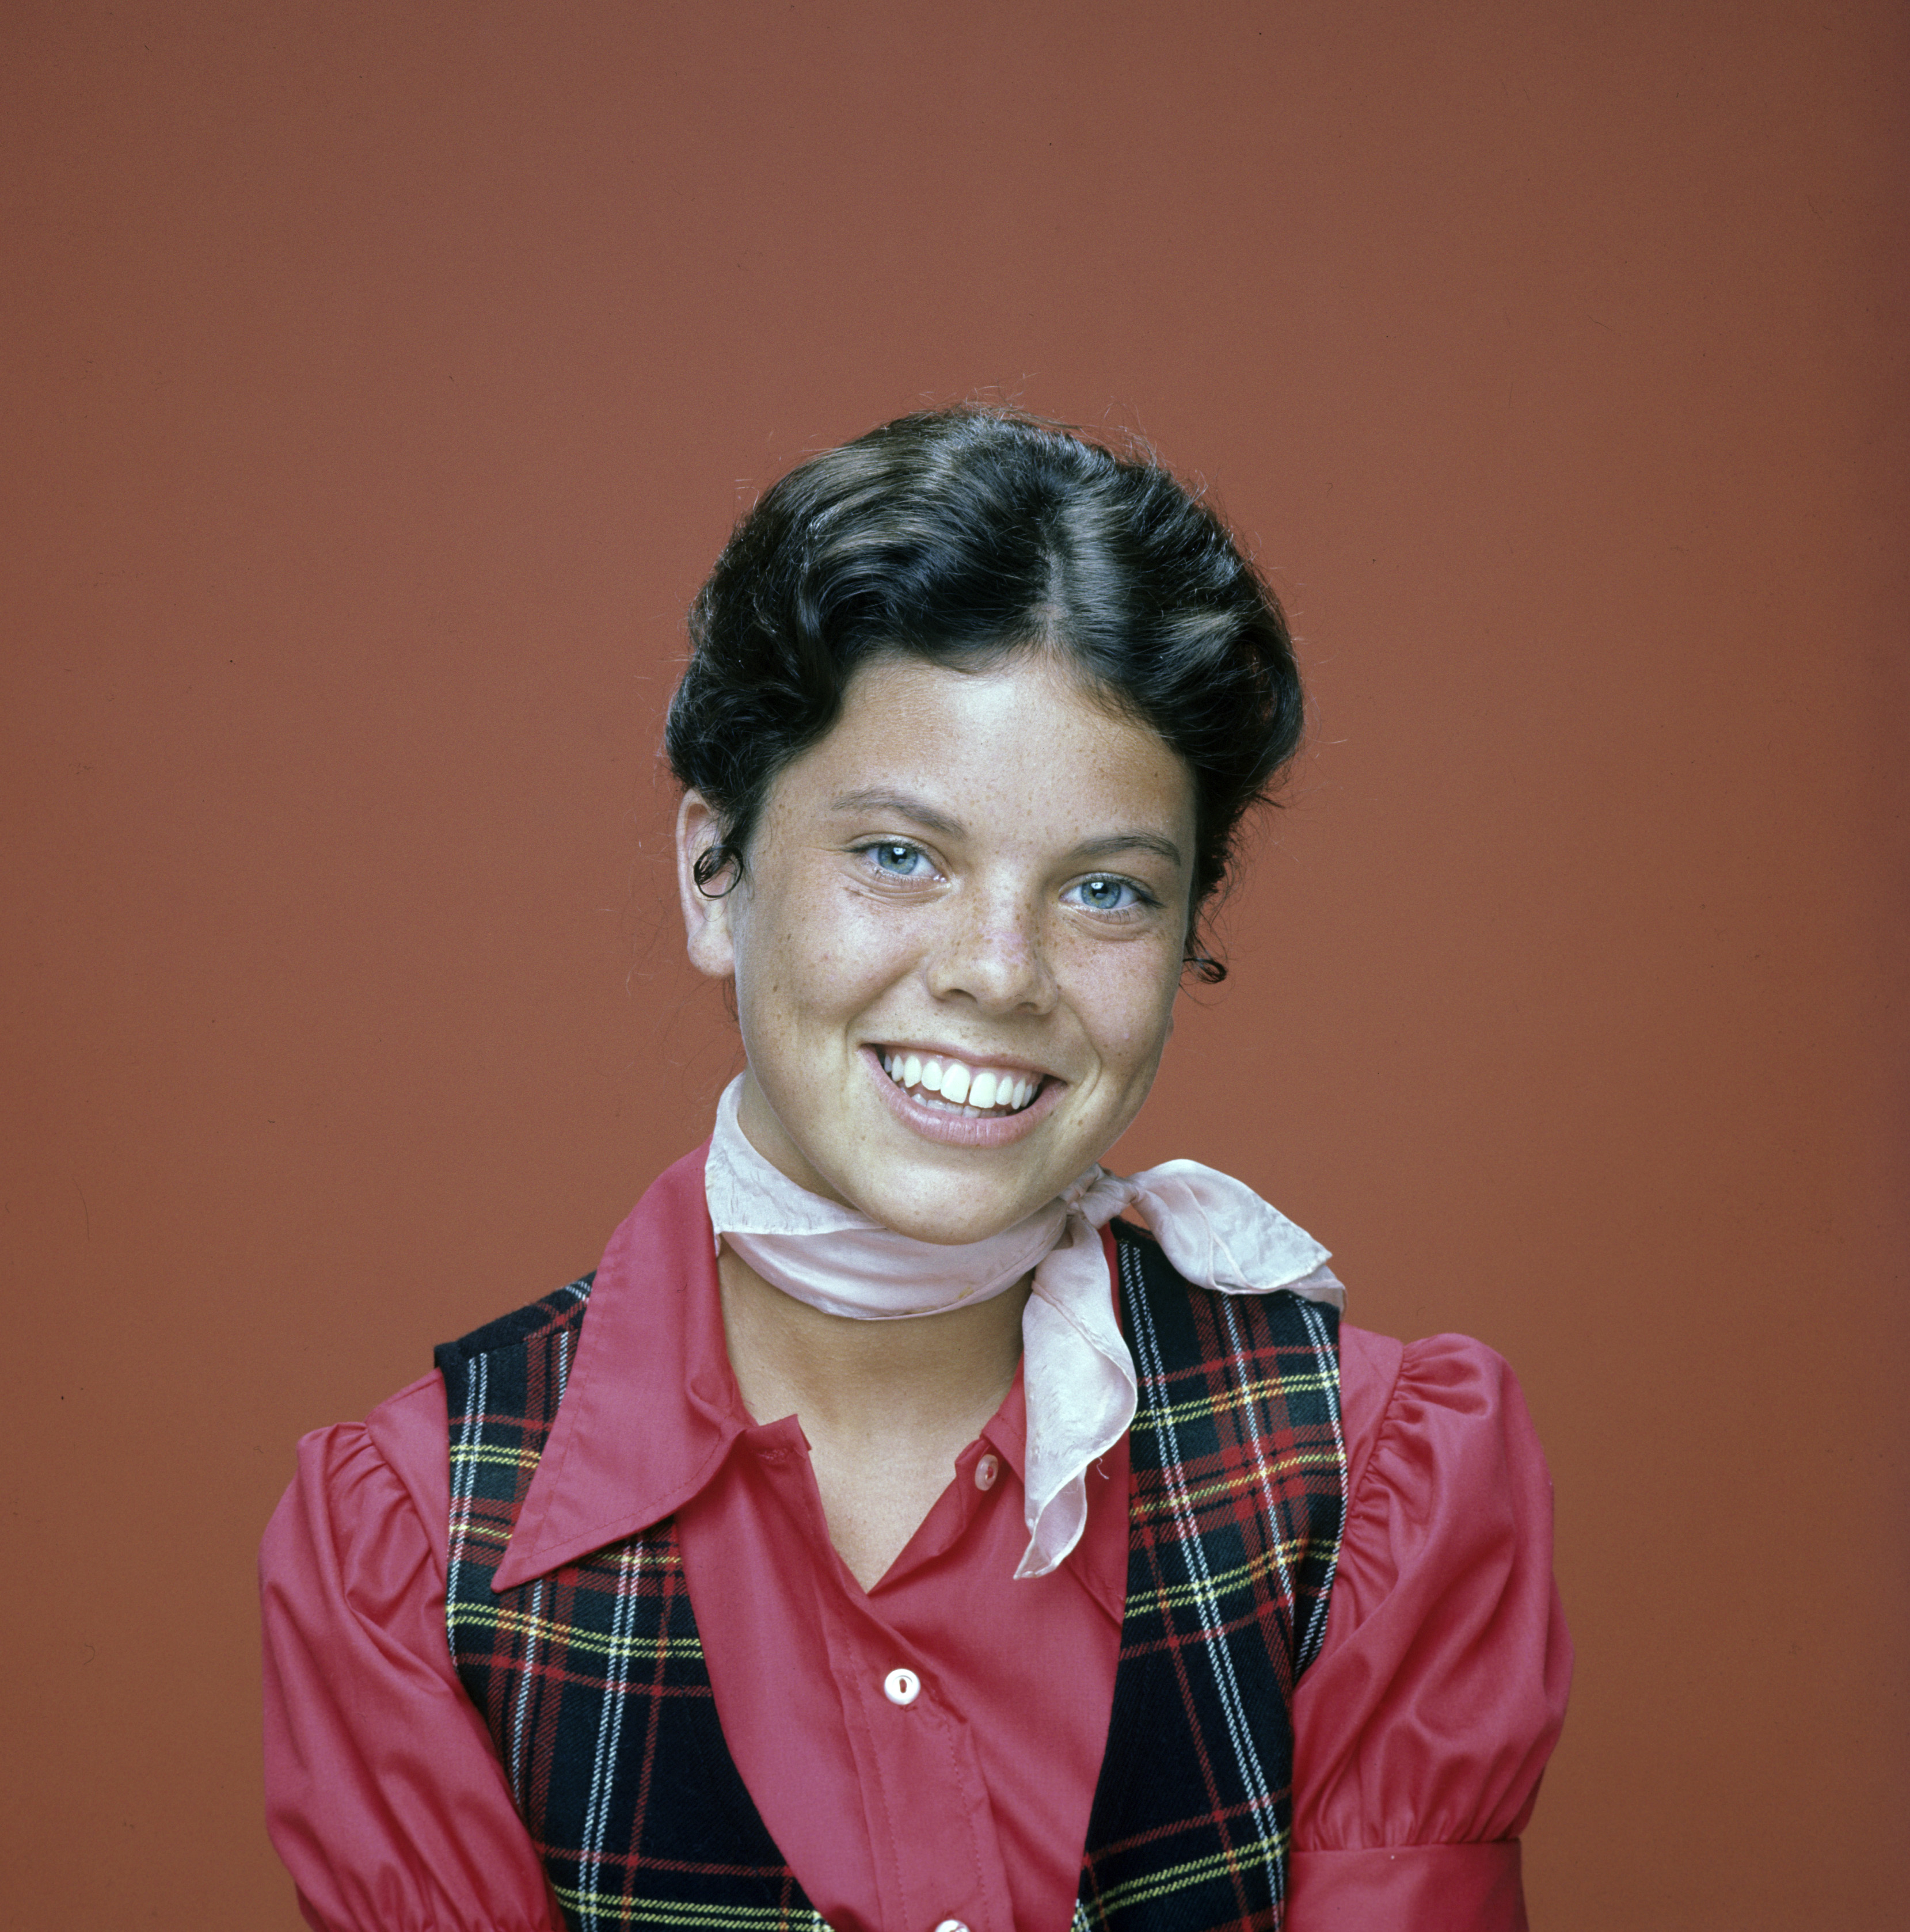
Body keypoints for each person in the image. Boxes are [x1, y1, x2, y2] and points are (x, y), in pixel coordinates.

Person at [260, 407, 1570, 1932]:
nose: (999, 972)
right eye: (899, 855)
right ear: (714, 874)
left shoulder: (1369, 1480)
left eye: (1106, 889)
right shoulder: (416, 1542)